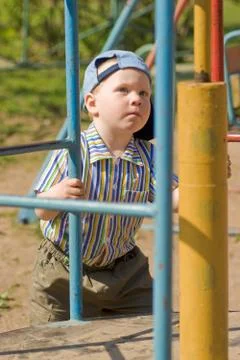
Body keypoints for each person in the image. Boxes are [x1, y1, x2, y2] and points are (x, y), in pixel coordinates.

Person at [30, 50, 179, 325]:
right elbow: (41, 210)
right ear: (92, 103)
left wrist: (207, 175)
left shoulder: (148, 156)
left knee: (155, 329)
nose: (136, 98)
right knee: (53, 341)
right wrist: (56, 196)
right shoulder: (72, 152)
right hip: (64, 270)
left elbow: (173, 199)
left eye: (144, 93)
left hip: (126, 273)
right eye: (123, 90)